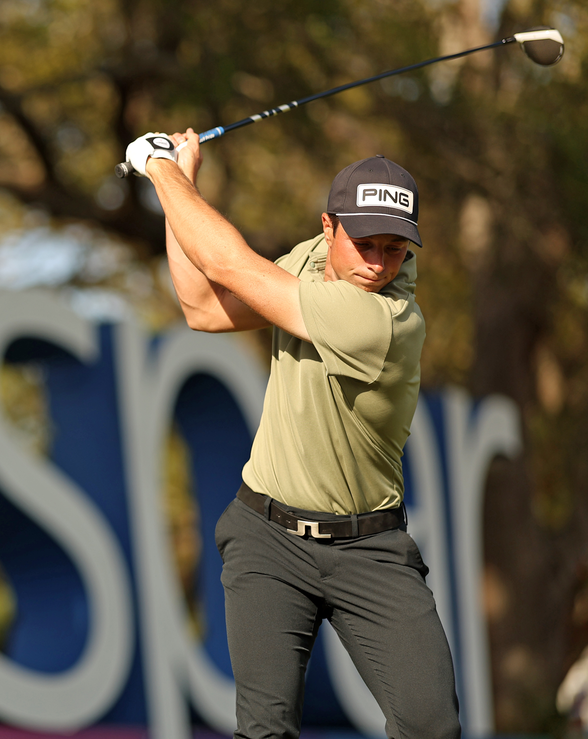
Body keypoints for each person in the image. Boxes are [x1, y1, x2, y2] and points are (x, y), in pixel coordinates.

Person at [124, 130, 461, 739]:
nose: (377, 264)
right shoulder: (308, 263)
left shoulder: (385, 322)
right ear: (327, 228)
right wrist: (185, 184)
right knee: (265, 729)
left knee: (431, 726)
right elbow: (202, 306)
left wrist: (161, 170)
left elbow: (229, 263)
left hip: (370, 550)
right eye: (364, 243)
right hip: (268, 539)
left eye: (395, 249)